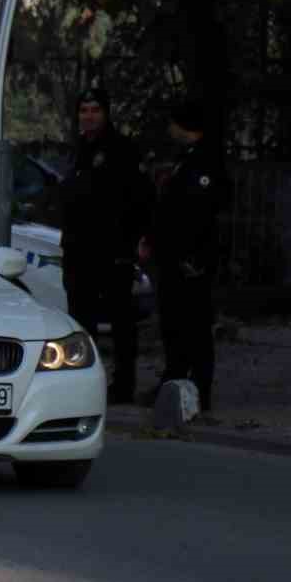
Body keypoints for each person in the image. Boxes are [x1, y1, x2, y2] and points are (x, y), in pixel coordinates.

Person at [59, 87, 154, 403]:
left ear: (106, 113)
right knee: (81, 319)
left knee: (120, 320)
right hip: (78, 249)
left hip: (112, 249)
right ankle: (85, 382)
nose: (89, 116)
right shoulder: (77, 150)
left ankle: (123, 383)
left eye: (95, 110)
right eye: (84, 110)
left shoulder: (121, 149)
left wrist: (136, 240)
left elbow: (140, 198)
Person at [143, 98, 230, 412]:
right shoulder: (188, 159)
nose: (169, 129)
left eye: (173, 123)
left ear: (184, 126)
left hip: (190, 262)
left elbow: (198, 213)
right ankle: (175, 383)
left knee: (193, 326)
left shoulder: (204, 162)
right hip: (176, 259)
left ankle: (198, 390)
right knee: (175, 326)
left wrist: (191, 256)